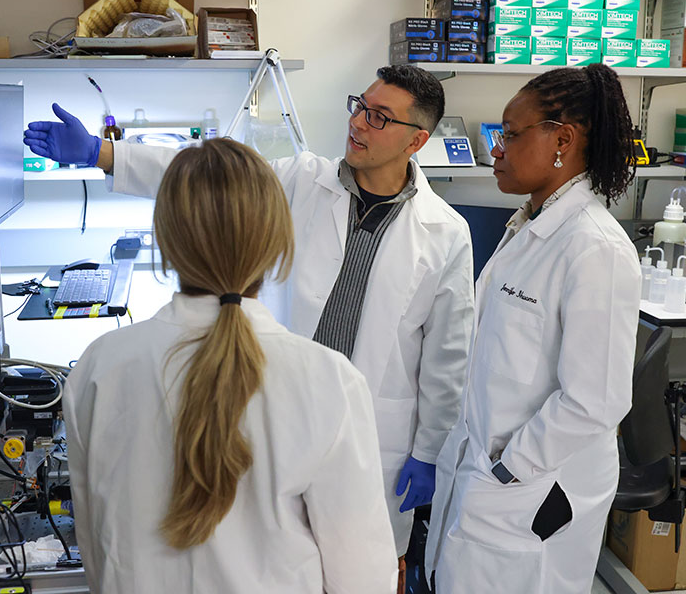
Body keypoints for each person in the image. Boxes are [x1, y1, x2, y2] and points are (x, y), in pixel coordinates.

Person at [25, 65, 475, 581]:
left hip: (374, 433)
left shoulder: (446, 232)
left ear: (416, 140)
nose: (358, 123)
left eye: (379, 118)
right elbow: (206, 177)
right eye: (359, 106)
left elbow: (448, 354)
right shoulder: (303, 178)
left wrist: (429, 451)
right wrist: (103, 153)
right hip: (265, 399)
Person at [62, 138, 398, 594]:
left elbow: (96, 547)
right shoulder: (327, 380)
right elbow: (362, 579)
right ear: (279, 242)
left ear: (164, 240)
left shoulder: (100, 368)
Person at [425, 64, 642, 593]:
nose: (496, 149)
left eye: (510, 134)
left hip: (531, 485)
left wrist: (509, 470)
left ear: (562, 139)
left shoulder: (596, 248)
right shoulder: (528, 227)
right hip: (490, 471)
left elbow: (596, 401)